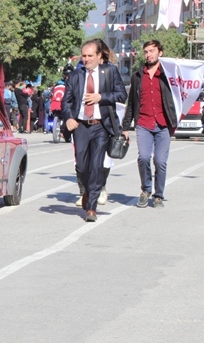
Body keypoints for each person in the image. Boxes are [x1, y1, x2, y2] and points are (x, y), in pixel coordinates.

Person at [62, 39, 127, 222]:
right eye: (83, 56)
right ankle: (87, 191)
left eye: (90, 56)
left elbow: (122, 94)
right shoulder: (76, 75)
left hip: (101, 125)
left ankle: (91, 207)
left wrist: (101, 97)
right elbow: (66, 102)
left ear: (99, 56)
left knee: (97, 165)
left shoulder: (109, 72)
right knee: (82, 166)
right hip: (81, 125)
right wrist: (68, 118)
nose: (86, 59)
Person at [122, 40, 177, 209]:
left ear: (160, 52)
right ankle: (146, 189)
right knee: (144, 157)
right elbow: (131, 103)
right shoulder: (138, 76)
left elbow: (180, 96)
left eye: (152, 51)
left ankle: (158, 194)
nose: (148, 54)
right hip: (144, 123)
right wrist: (125, 127)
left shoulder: (168, 75)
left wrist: (175, 120)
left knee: (160, 161)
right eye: (146, 51)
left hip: (163, 124)